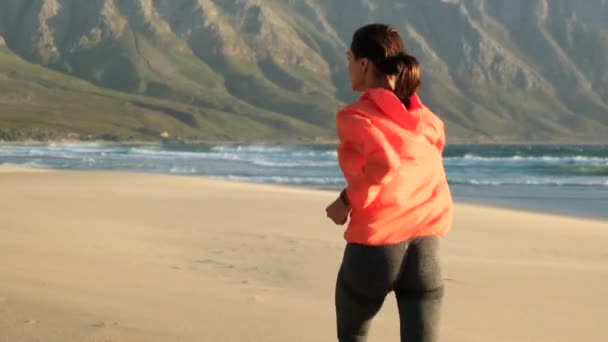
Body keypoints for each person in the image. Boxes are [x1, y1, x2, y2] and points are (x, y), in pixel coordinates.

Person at [325, 24, 454, 342]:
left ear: (364, 64)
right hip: (427, 250)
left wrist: (345, 201)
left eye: (349, 58)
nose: (348, 66)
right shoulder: (430, 123)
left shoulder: (356, 117)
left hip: (375, 250)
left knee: (354, 334)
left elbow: (384, 165)